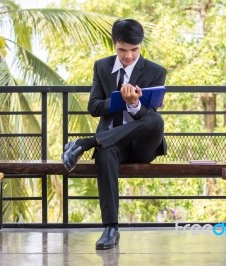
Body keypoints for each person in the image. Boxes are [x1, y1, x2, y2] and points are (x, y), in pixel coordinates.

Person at [61, 19, 167, 250]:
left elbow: (149, 117)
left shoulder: (155, 71)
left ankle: (86, 143)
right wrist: (120, 100)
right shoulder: (102, 67)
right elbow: (94, 107)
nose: (128, 56)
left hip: (142, 145)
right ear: (114, 45)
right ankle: (110, 229)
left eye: (134, 50)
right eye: (122, 50)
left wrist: (134, 105)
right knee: (106, 152)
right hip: (113, 144)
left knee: (156, 120)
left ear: (140, 46)